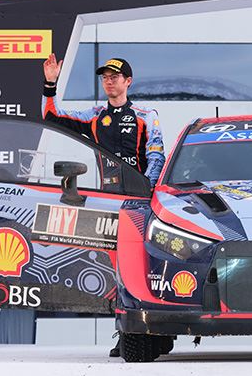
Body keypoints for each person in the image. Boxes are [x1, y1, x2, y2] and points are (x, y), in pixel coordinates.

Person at [42, 55, 165, 357]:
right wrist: (49, 84)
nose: (109, 81)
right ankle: (125, 333)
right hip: (108, 201)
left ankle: (155, 330)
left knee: (145, 265)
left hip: (139, 203)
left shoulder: (146, 115)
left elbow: (157, 156)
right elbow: (51, 116)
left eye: (115, 76)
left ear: (128, 82)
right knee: (117, 270)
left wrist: (144, 190)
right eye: (105, 77)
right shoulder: (95, 115)